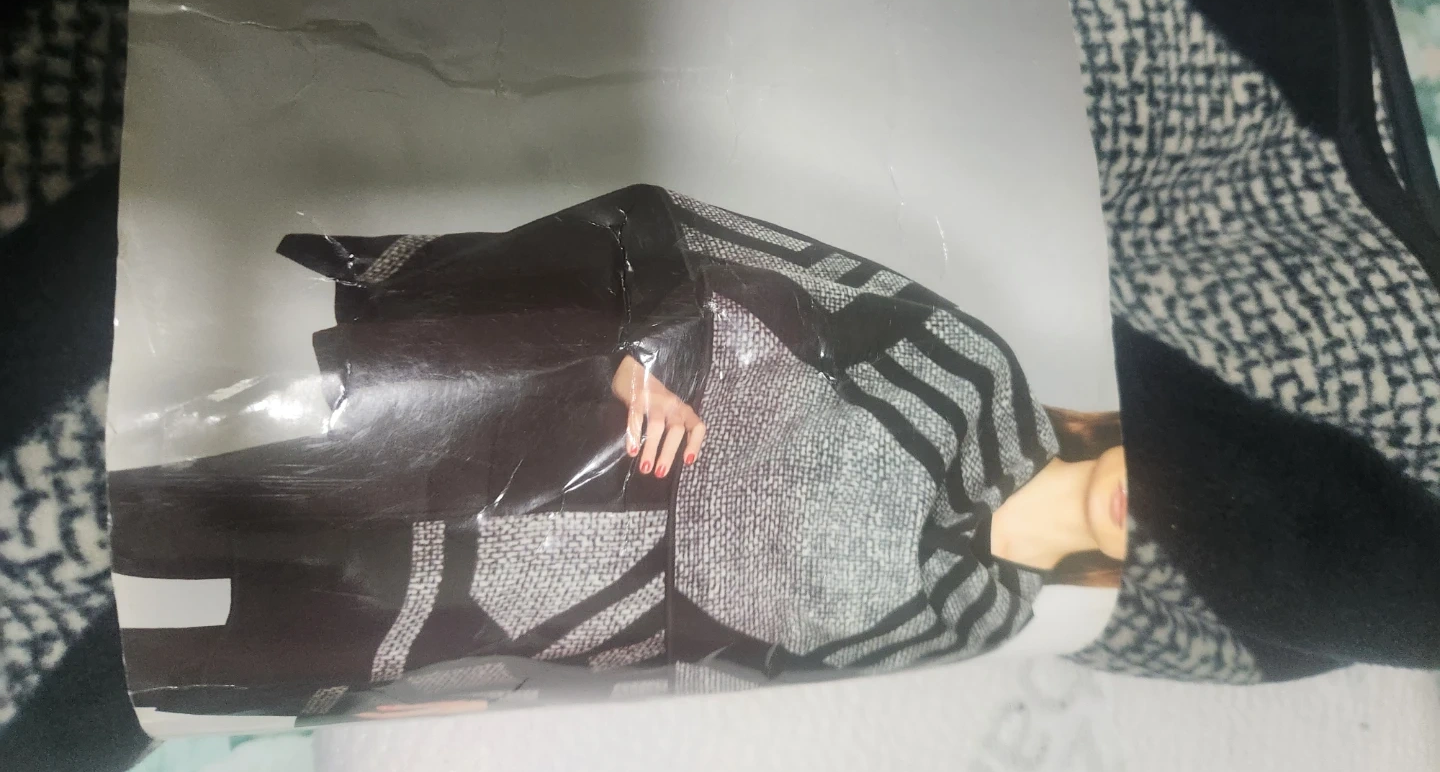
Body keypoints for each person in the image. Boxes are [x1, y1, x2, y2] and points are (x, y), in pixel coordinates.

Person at [109, 186, 1124, 720]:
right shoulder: (973, 374)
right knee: (178, 522)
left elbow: (748, 692)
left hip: (547, 622)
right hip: (542, 441)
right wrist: (652, 347)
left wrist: (498, 705)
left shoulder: (985, 626)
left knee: (188, 673)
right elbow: (713, 240)